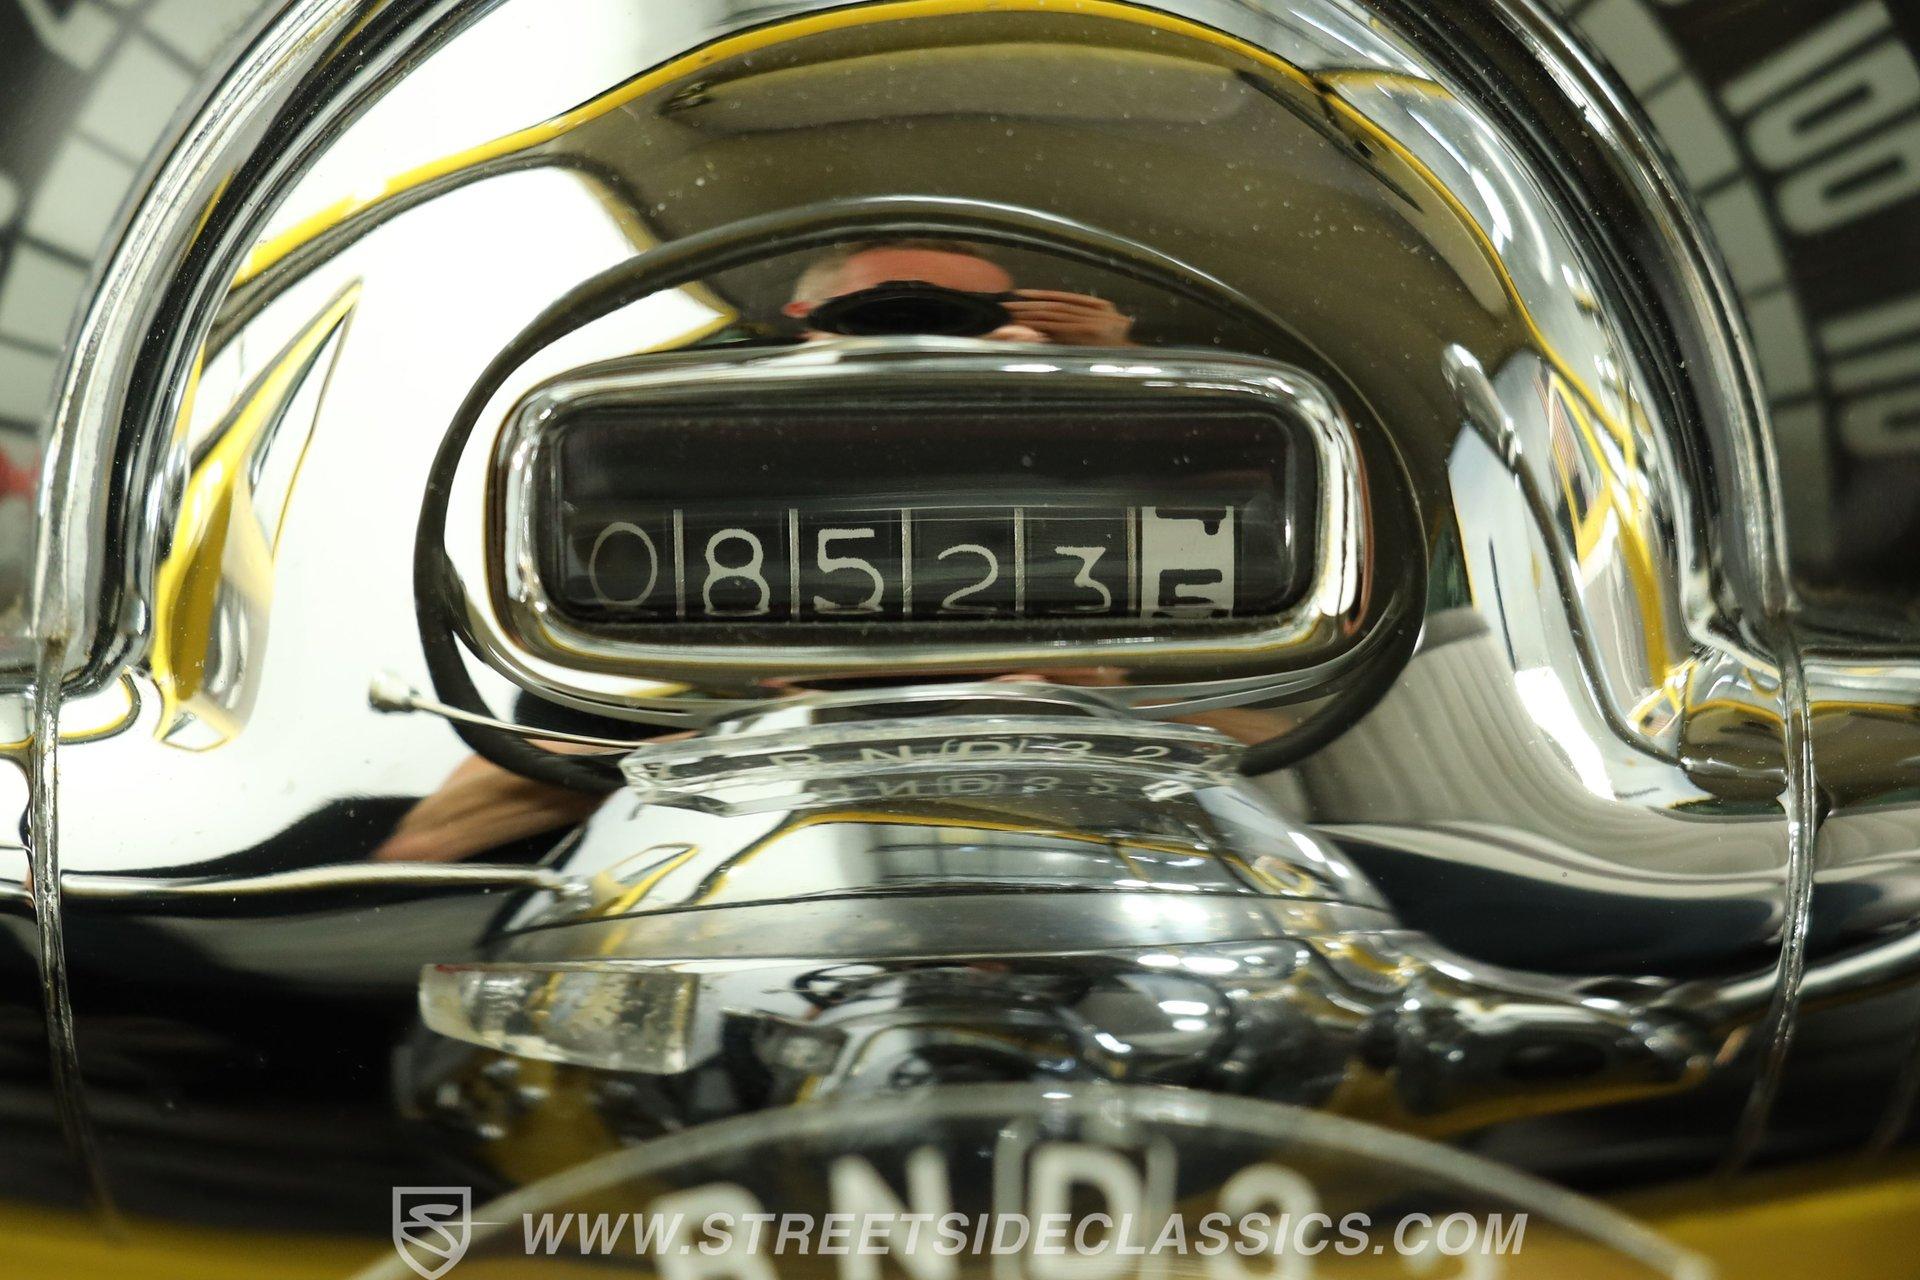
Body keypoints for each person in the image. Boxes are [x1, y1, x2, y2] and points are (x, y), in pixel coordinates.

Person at [784, 239, 1135, 345]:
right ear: (806, 317)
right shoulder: (752, 389)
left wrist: (1115, 358)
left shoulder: (1050, 381)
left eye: (976, 309)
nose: (934, 330)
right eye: (896, 307)